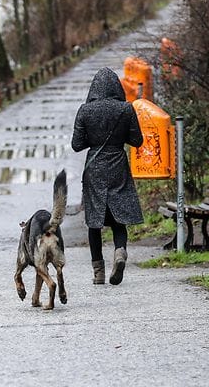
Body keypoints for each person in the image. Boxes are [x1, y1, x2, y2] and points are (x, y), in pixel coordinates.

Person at [71, 67, 144, 285]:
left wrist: (94, 140)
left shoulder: (85, 110)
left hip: (95, 169)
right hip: (118, 165)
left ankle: (99, 273)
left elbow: (76, 145)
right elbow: (137, 141)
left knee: (94, 222)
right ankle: (120, 251)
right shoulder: (126, 109)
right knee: (118, 218)